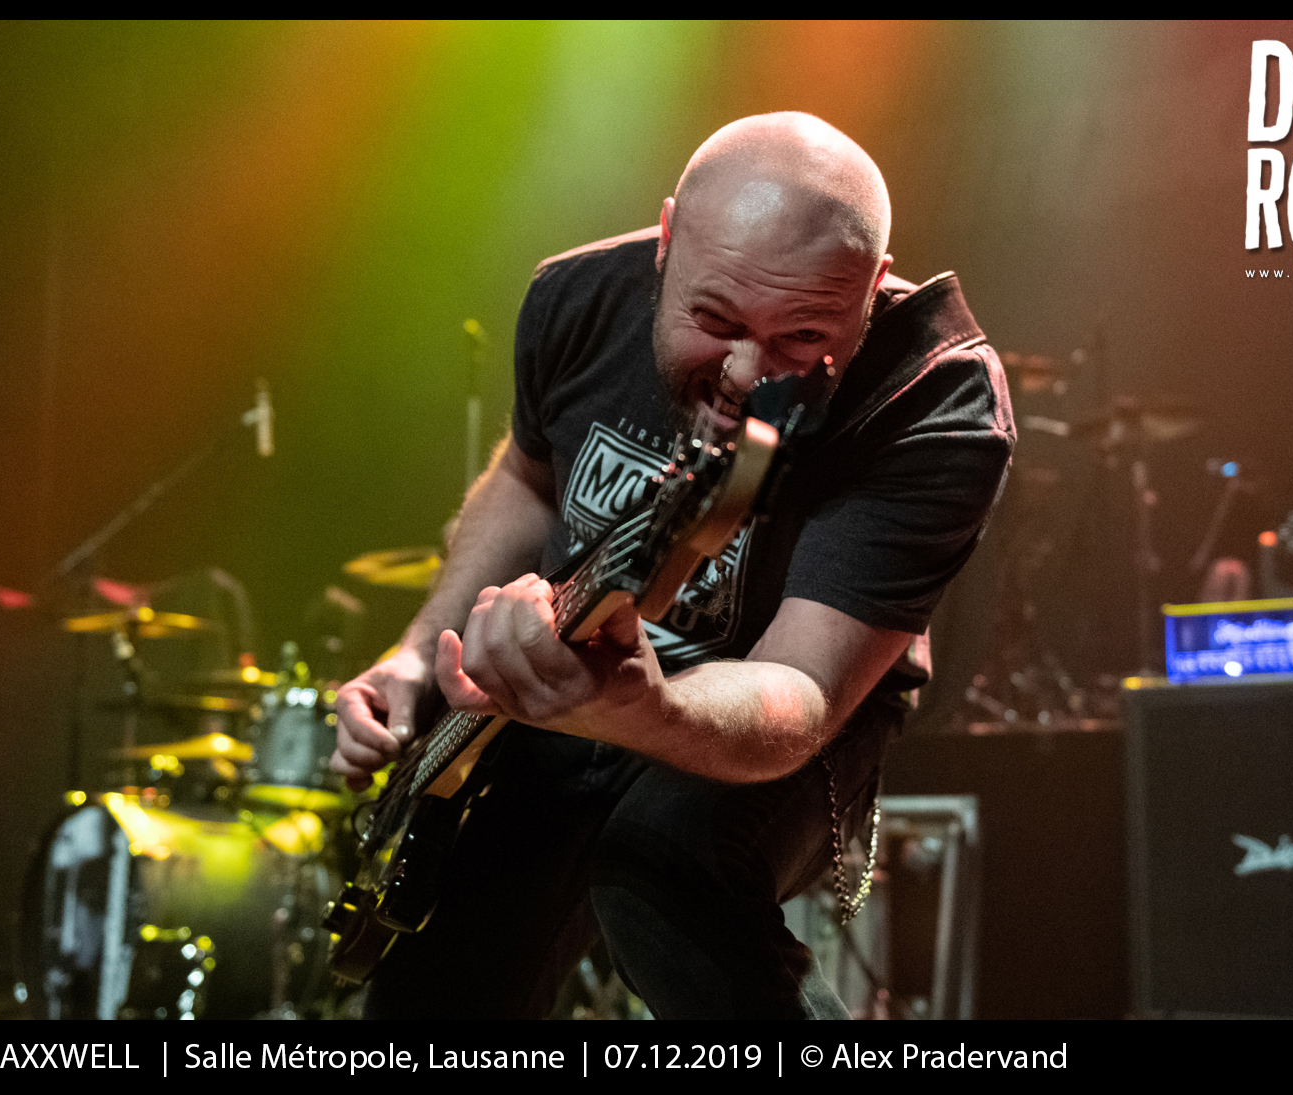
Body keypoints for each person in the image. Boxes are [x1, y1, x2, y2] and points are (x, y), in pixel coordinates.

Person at [331, 112, 1014, 1018]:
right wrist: (422, 653)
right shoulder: (578, 296)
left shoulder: (933, 398)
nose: (747, 374)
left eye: (803, 336)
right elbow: (529, 482)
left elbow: (802, 687)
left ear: (871, 285)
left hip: (774, 711)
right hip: (572, 686)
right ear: (666, 241)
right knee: (432, 992)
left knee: (663, 868)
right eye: (715, 320)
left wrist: (645, 709)